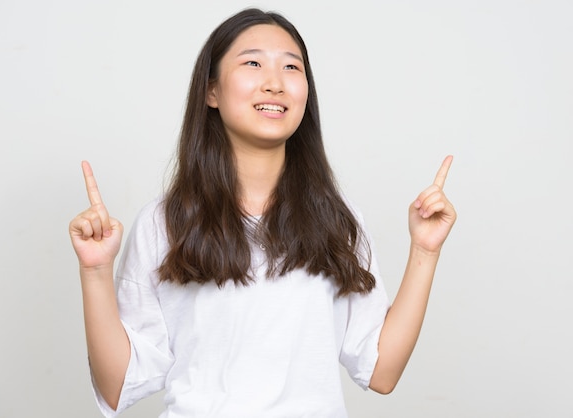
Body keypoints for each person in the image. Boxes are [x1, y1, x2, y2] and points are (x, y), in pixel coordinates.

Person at [69, 8, 456, 418]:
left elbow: (381, 371)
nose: (275, 83)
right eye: (253, 63)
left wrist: (425, 251)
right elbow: (117, 386)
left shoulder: (338, 222)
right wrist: (94, 271)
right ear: (211, 91)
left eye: (292, 67)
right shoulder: (164, 223)